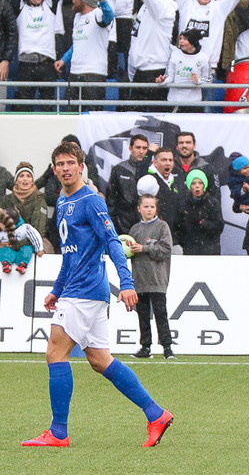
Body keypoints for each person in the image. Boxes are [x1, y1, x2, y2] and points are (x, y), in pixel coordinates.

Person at [21, 141, 173, 449]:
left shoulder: (91, 200)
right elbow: (70, 255)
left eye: (70, 163)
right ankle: (155, 414)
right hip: (80, 289)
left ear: (81, 167)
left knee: (55, 353)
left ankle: (58, 432)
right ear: (54, 170)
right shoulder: (63, 202)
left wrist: (127, 282)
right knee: (101, 360)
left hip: (85, 290)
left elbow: (113, 242)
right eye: (60, 164)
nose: (65, 168)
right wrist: (56, 290)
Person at [128, 194, 174, 360]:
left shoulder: (162, 226)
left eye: (152, 207)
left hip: (157, 280)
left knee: (161, 314)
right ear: (139, 209)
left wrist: (144, 248)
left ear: (156, 209)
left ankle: (167, 348)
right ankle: (145, 346)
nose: (149, 210)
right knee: (143, 314)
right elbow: (128, 251)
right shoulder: (134, 230)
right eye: (146, 207)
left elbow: (166, 249)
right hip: (139, 279)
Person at [106, 134, 151, 235]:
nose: (141, 151)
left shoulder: (150, 170)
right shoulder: (119, 169)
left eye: (144, 148)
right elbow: (111, 199)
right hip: (122, 222)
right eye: (138, 147)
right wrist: (113, 224)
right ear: (130, 148)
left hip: (145, 223)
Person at [175, 170, 225, 256]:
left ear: (204, 185)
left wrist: (203, 223)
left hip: (210, 251)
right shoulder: (183, 204)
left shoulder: (212, 203)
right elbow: (177, 227)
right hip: (190, 250)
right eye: (193, 183)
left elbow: (218, 227)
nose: (197, 186)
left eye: (200, 183)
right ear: (189, 186)